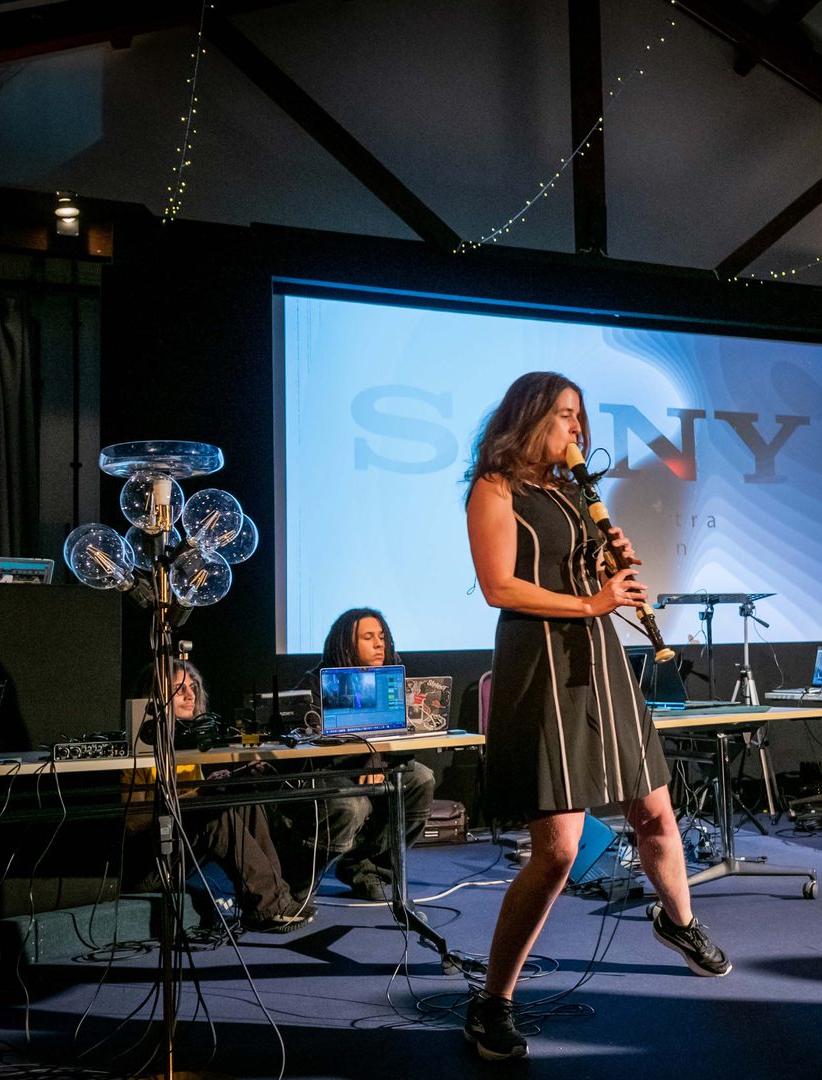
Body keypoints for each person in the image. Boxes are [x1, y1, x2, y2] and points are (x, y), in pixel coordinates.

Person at [461, 371, 730, 1062]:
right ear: (528, 418)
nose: (577, 429)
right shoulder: (496, 488)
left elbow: (586, 576)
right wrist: (592, 601)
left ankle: (681, 921)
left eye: (580, 418)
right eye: (565, 415)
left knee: (656, 814)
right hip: (543, 665)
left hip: (598, 659)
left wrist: (613, 568)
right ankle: (493, 1002)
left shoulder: (575, 493)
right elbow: (498, 585)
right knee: (556, 850)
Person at [132, 659, 316, 934]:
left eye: (192, 687)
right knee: (216, 812)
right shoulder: (136, 749)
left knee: (241, 796)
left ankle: (276, 902)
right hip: (150, 864)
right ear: (153, 697)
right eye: (178, 689)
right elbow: (134, 823)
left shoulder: (185, 744)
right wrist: (200, 792)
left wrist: (235, 778)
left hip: (181, 848)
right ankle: (270, 906)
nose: (190, 695)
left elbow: (190, 799)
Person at [288, 608, 437, 902]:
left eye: (382, 636)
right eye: (369, 637)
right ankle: (296, 882)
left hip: (375, 768)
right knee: (351, 804)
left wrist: (378, 761)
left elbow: (402, 739)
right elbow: (311, 748)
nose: (380, 643)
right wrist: (369, 761)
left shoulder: (391, 679)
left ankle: (370, 870)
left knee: (421, 779)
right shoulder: (316, 684)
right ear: (346, 644)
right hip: (328, 774)